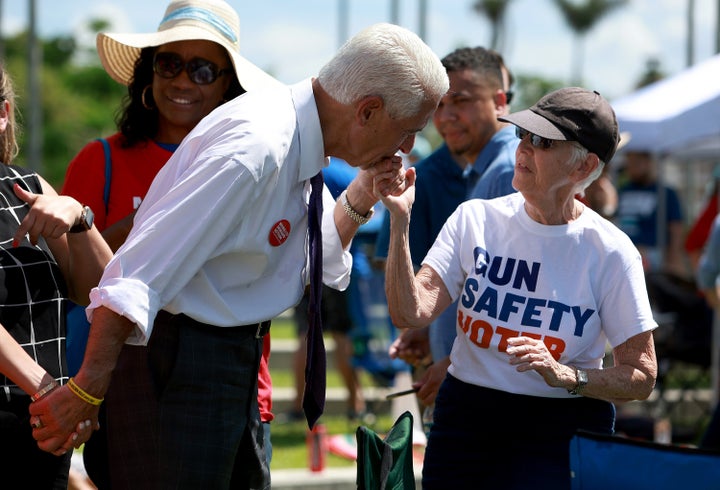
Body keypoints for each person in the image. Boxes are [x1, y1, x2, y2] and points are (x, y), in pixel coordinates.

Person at [31, 22, 449, 489]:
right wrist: (86, 390)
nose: (408, 147)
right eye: (409, 130)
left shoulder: (293, 135)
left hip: (222, 364)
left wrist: (362, 194)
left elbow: (311, 249)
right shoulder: (257, 148)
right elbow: (135, 277)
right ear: (368, 110)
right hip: (179, 372)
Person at [379, 87, 658, 489]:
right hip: (466, 416)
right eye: (522, 136)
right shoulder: (474, 219)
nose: (523, 148)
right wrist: (400, 223)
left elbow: (641, 375)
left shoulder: (611, 252)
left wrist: (568, 376)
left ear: (584, 167)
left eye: (542, 141)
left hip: (560, 428)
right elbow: (410, 312)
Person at [60, 1, 281, 486]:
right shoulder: (101, 160)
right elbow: (73, 285)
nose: (183, 81)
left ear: (228, 85)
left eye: (203, 69)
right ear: (149, 72)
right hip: (125, 389)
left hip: (237, 385)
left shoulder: (258, 164)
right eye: (169, 63)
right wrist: (153, 223)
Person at [376, 46, 518, 406]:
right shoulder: (483, 171)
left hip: (483, 388)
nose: (447, 117)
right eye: (439, 106)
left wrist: (454, 364)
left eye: (462, 102)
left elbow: (511, 303)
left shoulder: (505, 172)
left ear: (500, 101)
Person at [0, 64, 112, 488]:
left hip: (39, 431)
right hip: (44, 407)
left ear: (4, 113)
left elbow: (101, 293)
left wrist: (79, 218)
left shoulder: (25, 187)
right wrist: (53, 393)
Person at [615, 150, 686, 277]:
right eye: (629, 164)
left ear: (648, 163)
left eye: (636, 163)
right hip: (624, 252)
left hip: (654, 255)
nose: (631, 168)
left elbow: (676, 227)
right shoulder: (622, 191)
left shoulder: (666, 193)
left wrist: (673, 258)